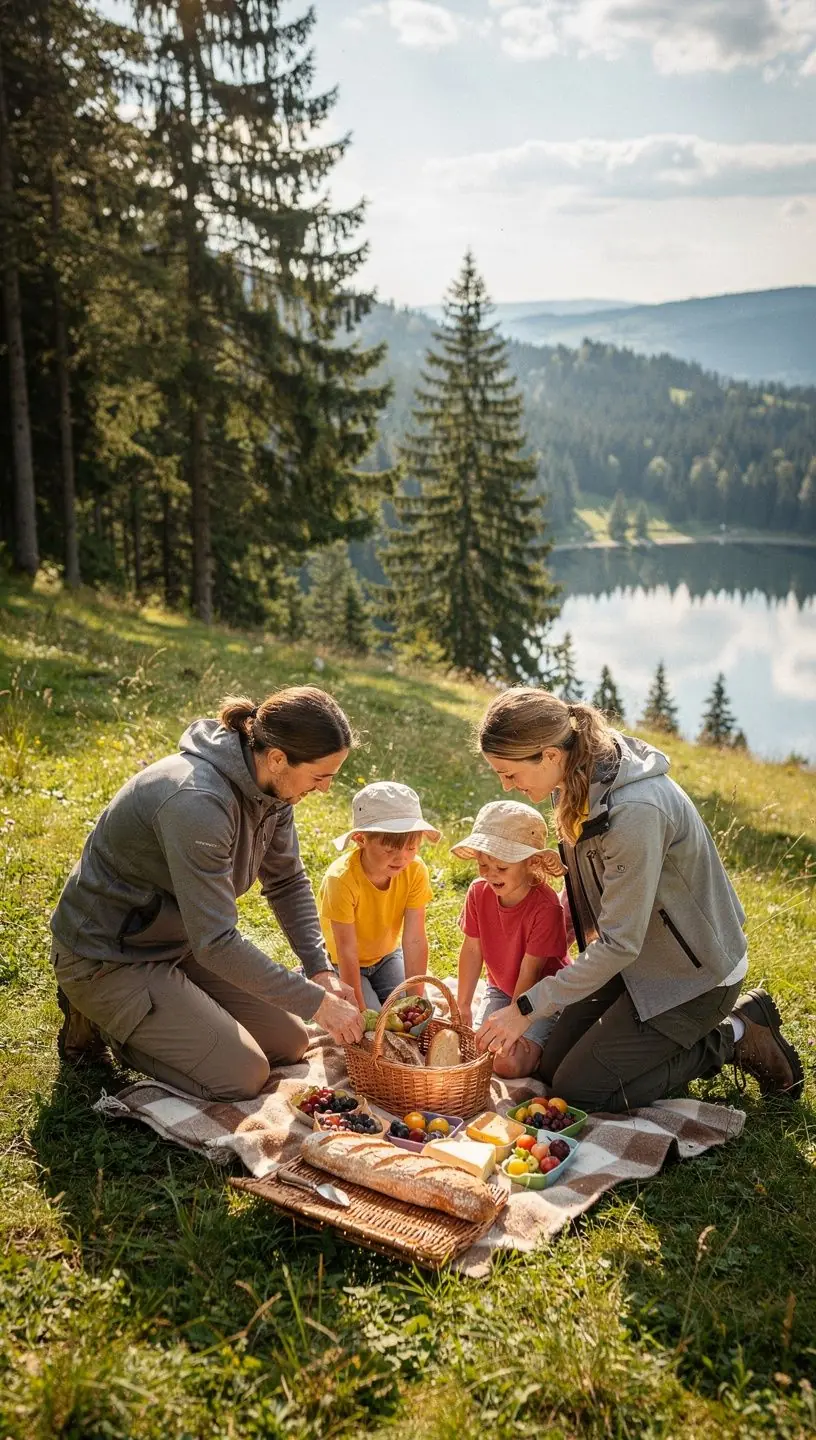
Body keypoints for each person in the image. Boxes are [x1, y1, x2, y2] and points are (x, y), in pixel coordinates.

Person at [474, 688, 804, 1111]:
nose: (506, 785)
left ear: (551, 756)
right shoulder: (571, 780)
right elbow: (592, 887)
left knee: (578, 1094)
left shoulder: (634, 812)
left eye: (509, 773)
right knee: (550, 1069)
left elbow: (619, 943)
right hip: (631, 960)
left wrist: (525, 1008)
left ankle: (737, 1031)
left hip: (693, 977)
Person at [51, 686, 364, 1101]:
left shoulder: (274, 788)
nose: (324, 788)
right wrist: (319, 1004)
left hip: (179, 945)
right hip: (108, 957)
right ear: (277, 758)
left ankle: (168, 1004)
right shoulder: (196, 802)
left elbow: (286, 882)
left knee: (289, 1043)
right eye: (320, 776)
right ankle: (97, 1017)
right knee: (242, 1076)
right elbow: (217, 943)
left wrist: (319, 970)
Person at [451, 800, 568, 1079]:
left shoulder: (546, 907)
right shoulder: (478, 892)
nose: (490, 874)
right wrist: (463, 1005)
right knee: (477, 1051)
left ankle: (553, 1038)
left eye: (501, 867)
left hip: (538, 995)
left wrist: (511, 1024)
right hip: (500, 988)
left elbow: (531, 971)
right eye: (483, 864)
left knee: (507, 1063)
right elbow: (471, 950)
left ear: (531, 862)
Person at [318, 781, 439, 1011]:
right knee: (371, 1017)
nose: (402, 858)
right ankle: (314, 976)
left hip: (386, 957)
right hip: (342, 962)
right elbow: (347, 950)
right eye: (390, 849)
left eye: (411, 848)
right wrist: (361, 1010)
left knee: (409, 1012)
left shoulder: (415, 871)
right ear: (361, 839)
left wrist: (417, 1002)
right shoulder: (341, 879)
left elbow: (414, 939)